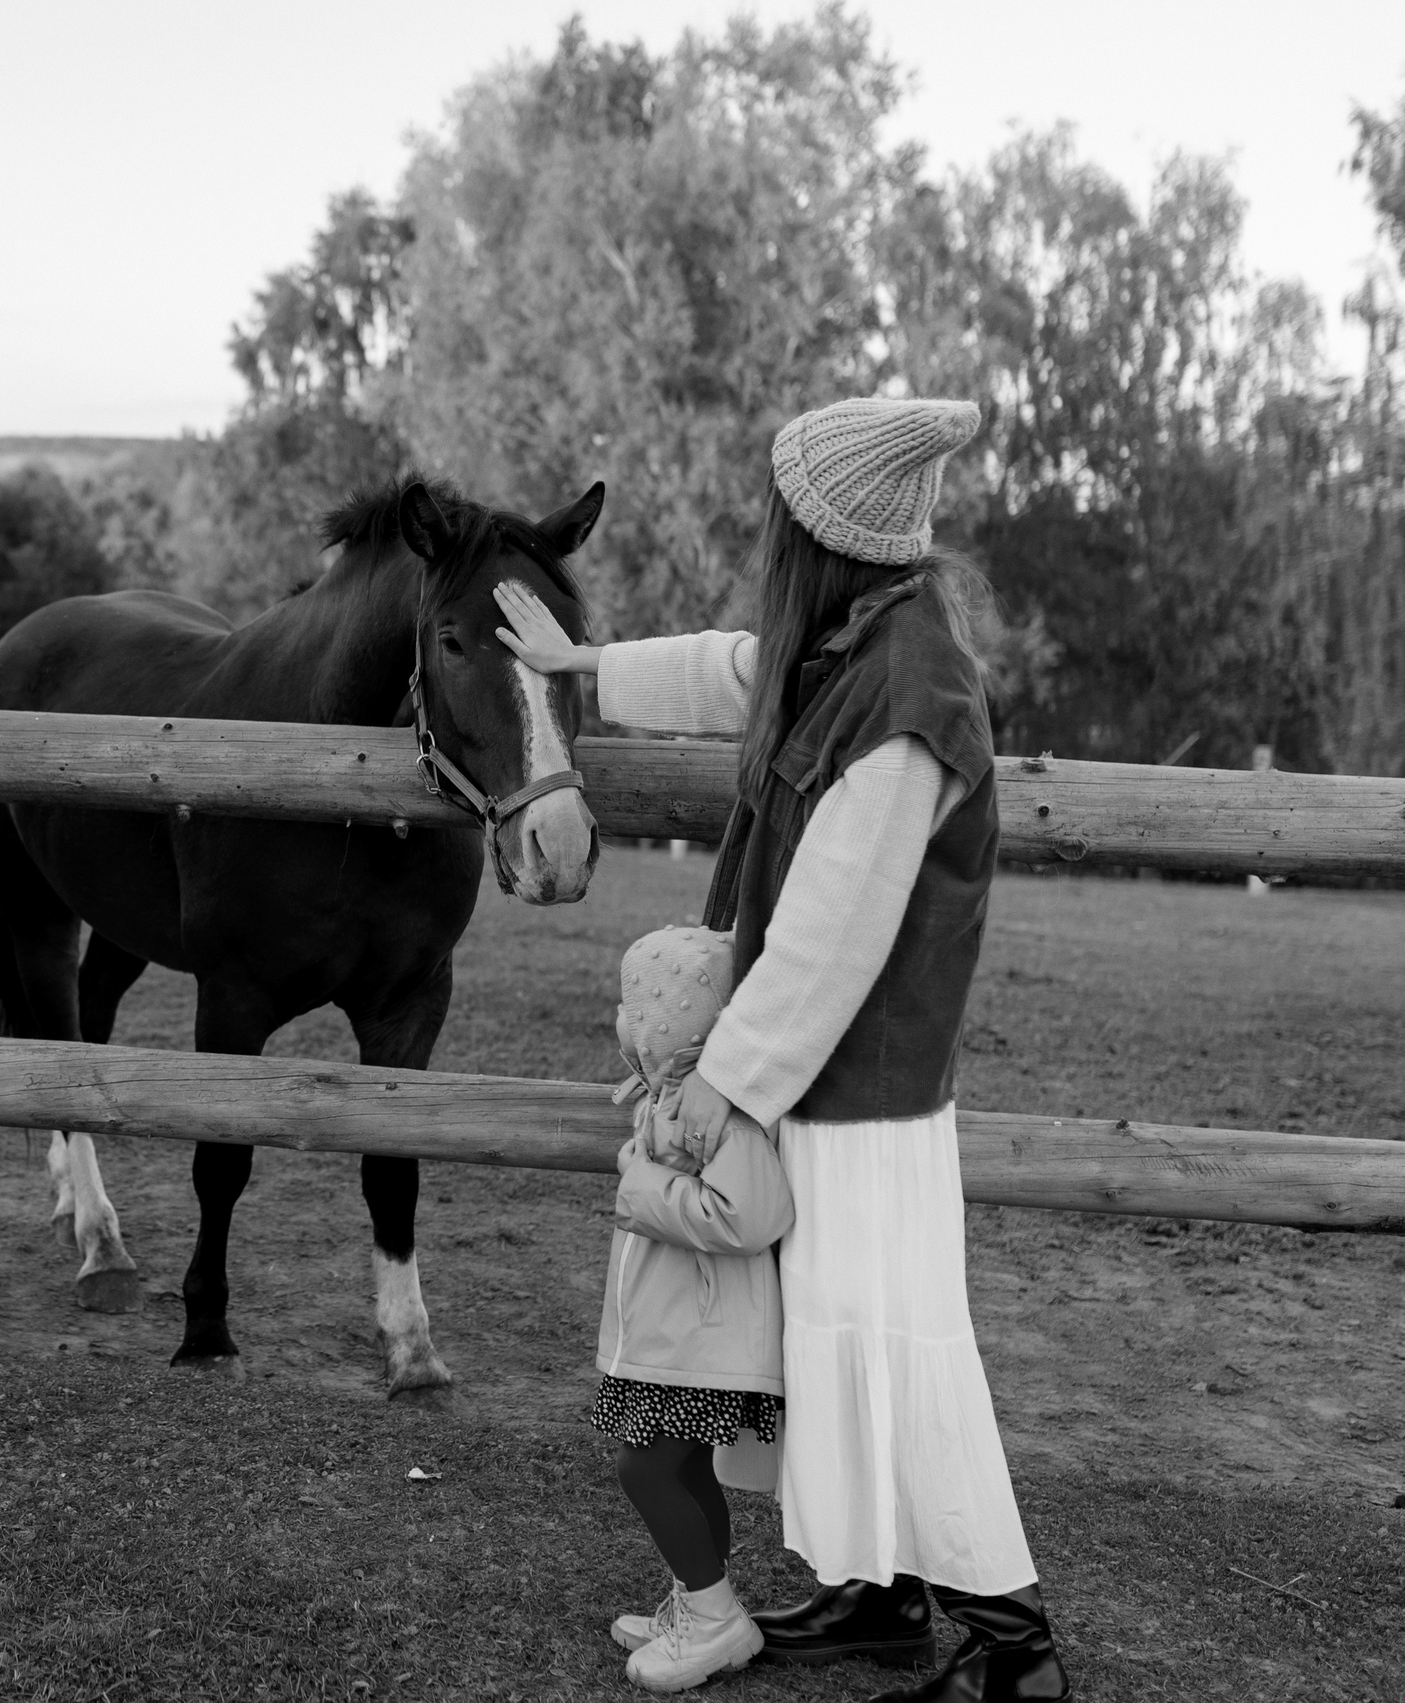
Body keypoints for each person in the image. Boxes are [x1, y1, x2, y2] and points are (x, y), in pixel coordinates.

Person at [497, 398, 1070, 1703]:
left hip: (864, 1096)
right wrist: (584, 664)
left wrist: (720, 1080)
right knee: (835, 1341)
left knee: (893, 1345)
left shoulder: (911, 695)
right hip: (831, 1086)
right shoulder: (863, 634)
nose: (768, 530)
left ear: (826, 535)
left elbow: (828, 935)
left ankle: (1014, 1649)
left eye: (783, 512)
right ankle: (880, 1597)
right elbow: (738, 666)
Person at [595, 925, 794, 1693]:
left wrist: (646, 1190)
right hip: (679, 1333)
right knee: (683, 1465)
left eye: (638, 1008)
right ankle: (697, 1595)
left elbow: (753, 1214)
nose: (626, 1021)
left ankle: (716, 1620)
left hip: (707, 1339)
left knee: (644, 1468)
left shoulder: (722, 1114)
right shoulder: (670, 1096)